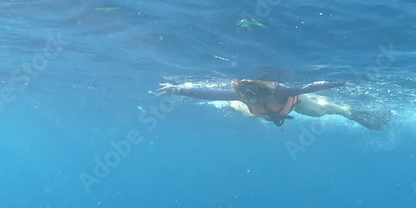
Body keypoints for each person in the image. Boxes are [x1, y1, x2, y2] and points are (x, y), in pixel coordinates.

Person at [157, 79, 390, 130]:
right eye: (246, 95)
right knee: (237, 110)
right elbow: (210, 95)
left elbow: (309, 87)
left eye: (254, 95)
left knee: (321, 111)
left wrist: (339, 83)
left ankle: (352, 114)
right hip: (264, 114)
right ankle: (235, 108)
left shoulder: (282, 91)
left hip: (292, 105)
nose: (251, 97)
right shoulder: (241, 96)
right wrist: (179, 89)